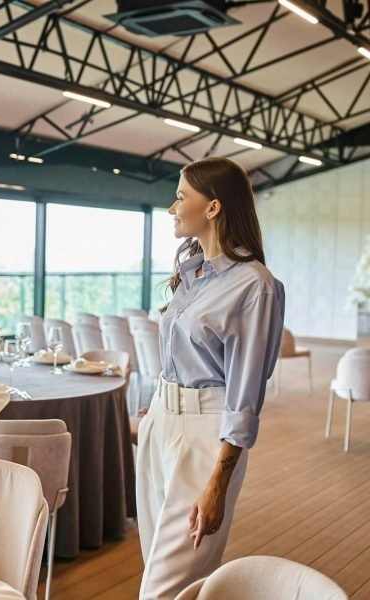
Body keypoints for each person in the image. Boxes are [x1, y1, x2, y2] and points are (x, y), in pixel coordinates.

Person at [136, 157, 285, 599]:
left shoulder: (256, 285)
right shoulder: (192, 274)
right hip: (160, 424)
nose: (172, 208)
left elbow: (245, 395)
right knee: (160, 571)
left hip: (206, 438)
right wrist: (160, 407)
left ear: (214, 206)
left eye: (181, 196)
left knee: (163, 589)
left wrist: (218, 480)